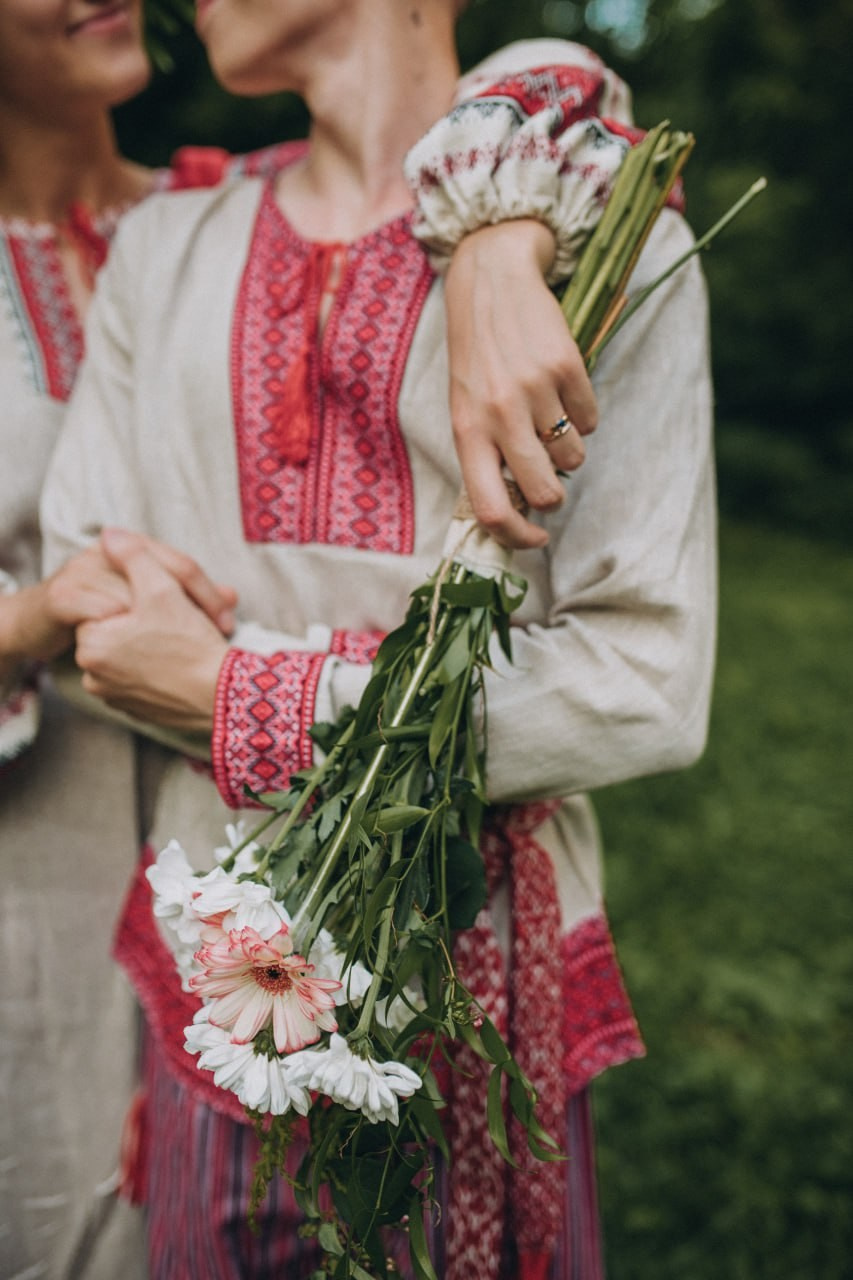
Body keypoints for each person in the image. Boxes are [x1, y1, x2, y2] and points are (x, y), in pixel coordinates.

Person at [41, 2, 717, 1277]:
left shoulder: (601, 236)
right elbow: (111, 620)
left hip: (474, 965)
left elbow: (643, 683)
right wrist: (221, 676)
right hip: (216, 969)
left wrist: (246, 689)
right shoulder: (165, 246)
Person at [0, 2, 311, 1275]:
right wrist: (33, 612)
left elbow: (556, 118)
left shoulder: (243, 208)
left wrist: (508, 248)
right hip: (34, 880)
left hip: (266, 842)